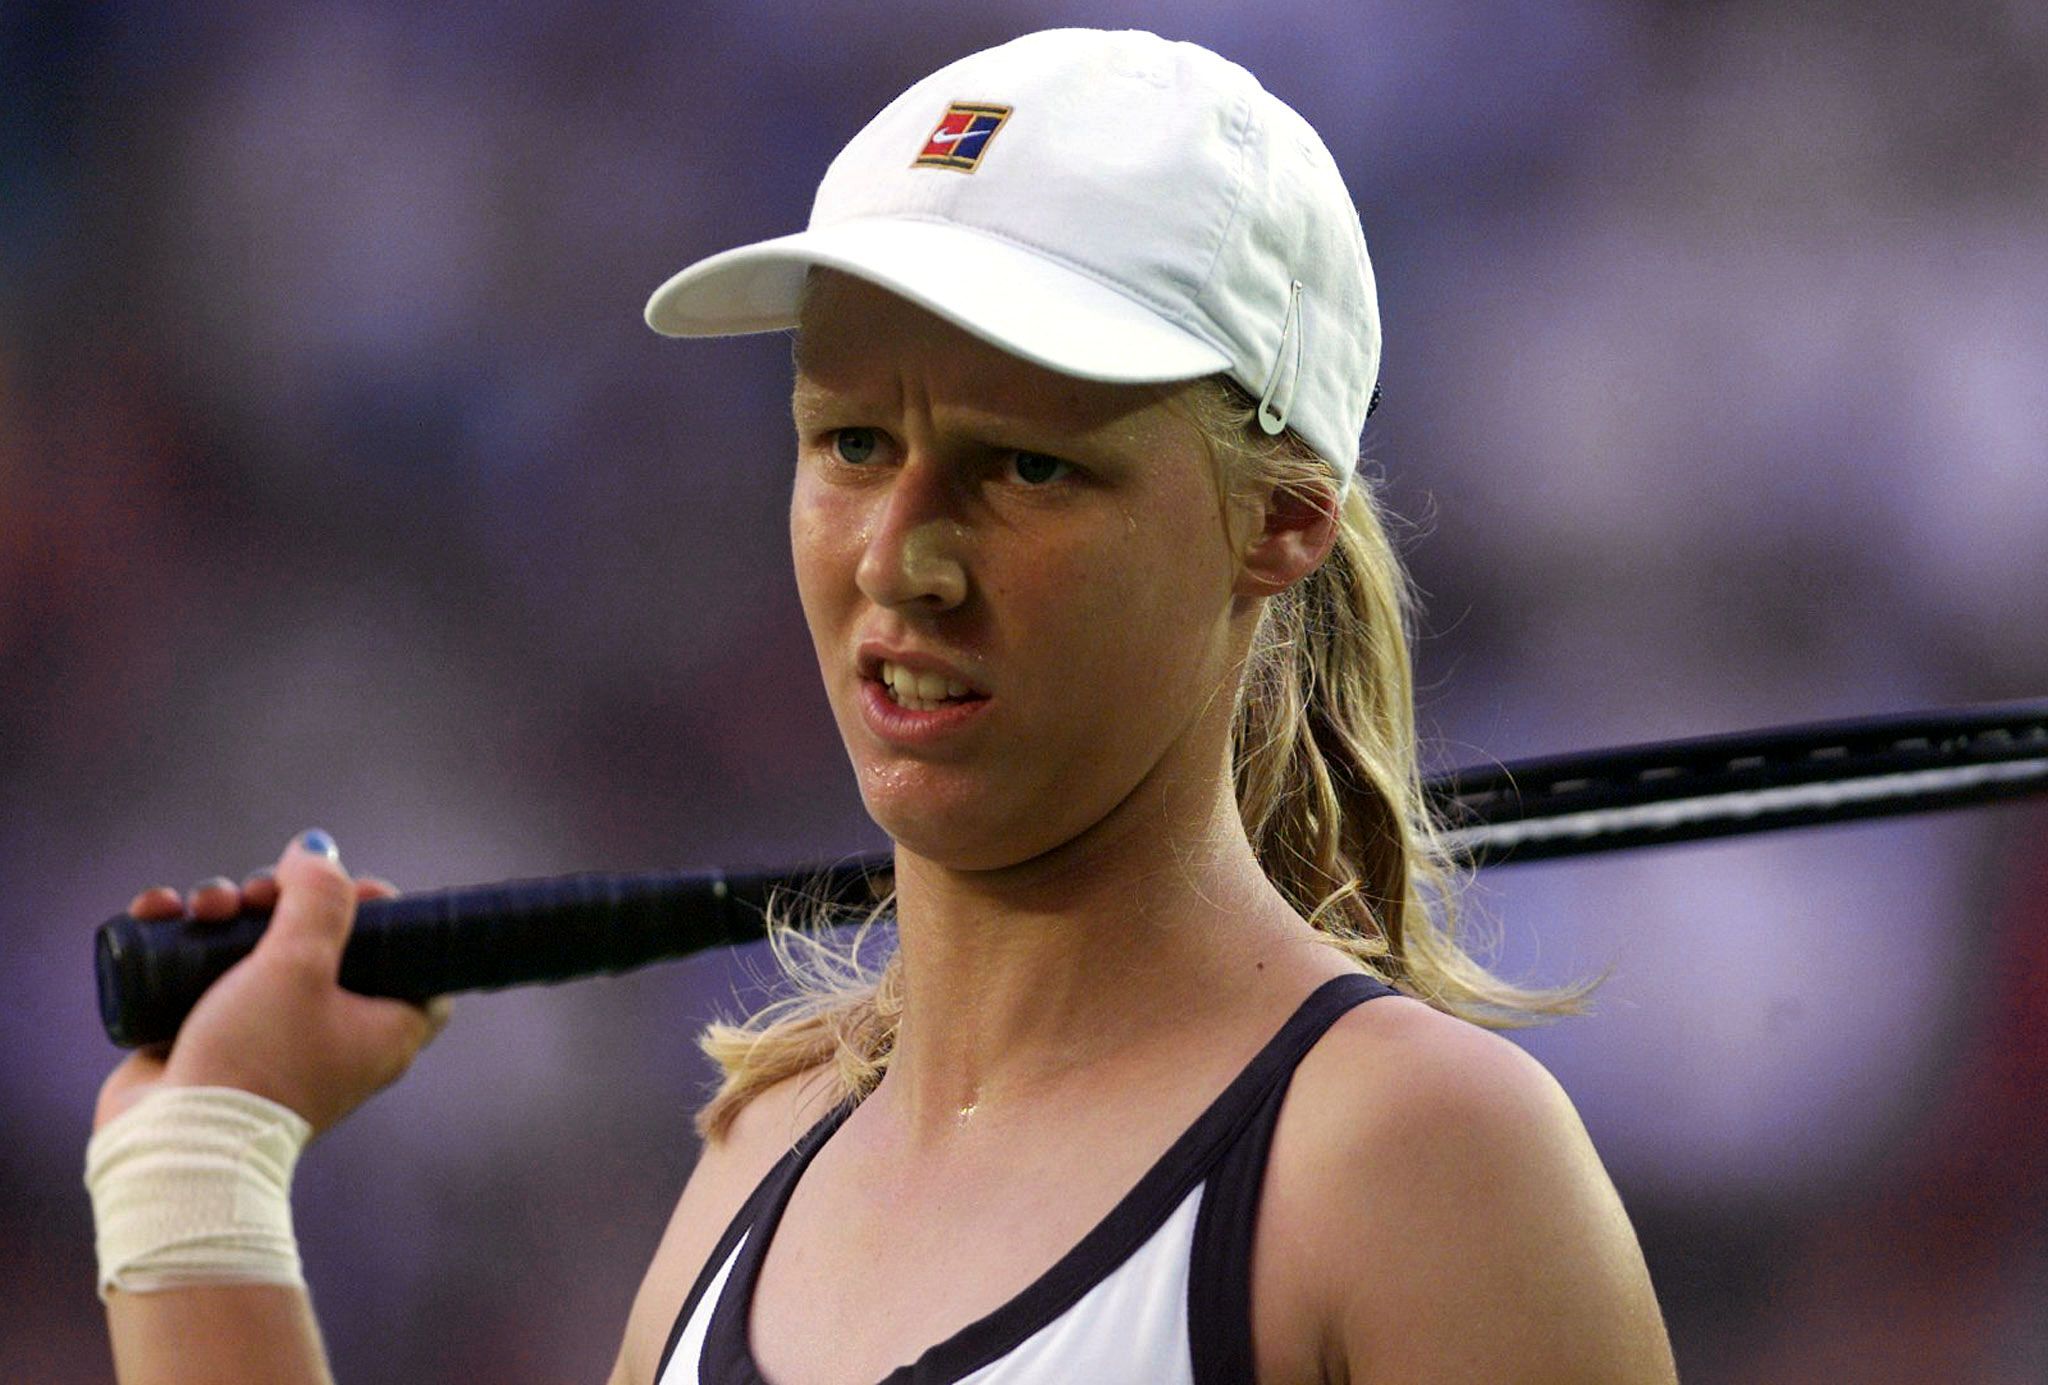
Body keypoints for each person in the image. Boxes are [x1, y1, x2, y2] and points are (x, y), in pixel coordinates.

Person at [89, 28, 1679, 1384]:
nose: (900, 557)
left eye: (1030, 465)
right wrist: (195, 1160)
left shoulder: (1417, 1161)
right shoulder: (758, 1161)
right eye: (851, 443)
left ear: (1279, 523)